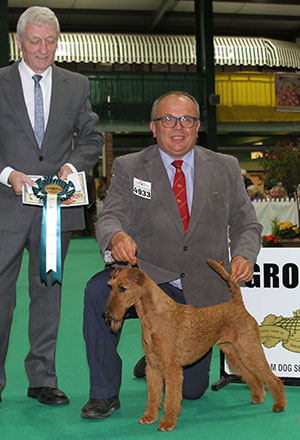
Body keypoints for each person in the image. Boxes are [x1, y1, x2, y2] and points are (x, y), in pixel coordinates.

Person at [81, 91, 262, 419]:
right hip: (151, 278)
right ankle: (103, 394)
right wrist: (117, 236)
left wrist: (245, 255)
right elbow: (111, 215)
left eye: (187, 120)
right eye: (168, 119)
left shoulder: (225, 167)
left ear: (197, 126)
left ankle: (155, 350)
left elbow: (247, 222)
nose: (177, 127)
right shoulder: (129, 166)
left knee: (192, 390)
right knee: (98, 292)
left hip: (202, 288)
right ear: (153, 126)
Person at [0, 6, 103, 405]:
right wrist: (9, 175)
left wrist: (69, 166)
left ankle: (42, 378)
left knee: (48, 293)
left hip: (55, 207)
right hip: (6, 204)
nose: (42, 49)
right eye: (34, 40)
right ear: (19, 41)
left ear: (57, 42)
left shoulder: (76, 85)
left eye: (49, 41)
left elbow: (92, 139)